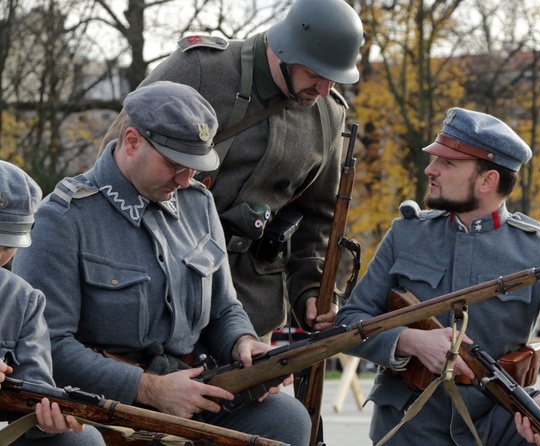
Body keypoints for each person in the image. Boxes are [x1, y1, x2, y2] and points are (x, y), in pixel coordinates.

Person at [12, 81, 311, 445]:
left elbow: (223, 308)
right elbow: (48, 345)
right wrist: (149, 389)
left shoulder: (198, 205)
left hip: (191, 389)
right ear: (132, 141)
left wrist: (242, 343)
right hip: (98, 404)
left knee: (285, 418)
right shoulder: (61, 218)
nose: (186, 180)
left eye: (194, 168)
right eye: (174, 164)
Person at [334, 108, 540, 445]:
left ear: (488, 180)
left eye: (448, 163)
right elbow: (349, 323)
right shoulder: (407, 234)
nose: (431, 170)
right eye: (435, 160)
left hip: (499, 424)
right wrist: (409, 341)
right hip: (412, 424)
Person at [98, 0, 365, 341]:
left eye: (334, 81)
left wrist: (310, 290)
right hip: (159, 292)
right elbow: (118, 155)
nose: (325, 91)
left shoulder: (328, 115)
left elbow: (316, 217)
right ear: (285, 49)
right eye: (315, 75)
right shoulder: (201, 68)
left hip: (251, 309)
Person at [0, 161, 105, 445]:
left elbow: (34, 388)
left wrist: (46, 421)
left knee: (83, 440)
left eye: (6, 245)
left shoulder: (23, 300)